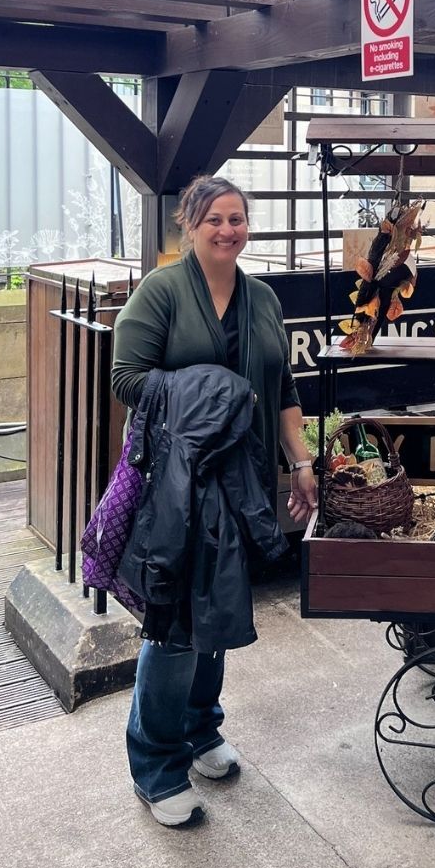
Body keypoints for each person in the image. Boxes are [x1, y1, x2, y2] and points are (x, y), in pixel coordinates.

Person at [111, 174, 317, 827]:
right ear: (189, 227)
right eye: (215, 220)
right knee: (174, 626)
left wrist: (301, 462)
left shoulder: (262, 300)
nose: (229, 230)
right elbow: (127, 378)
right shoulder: (162, 291)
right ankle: (156, 766)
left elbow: (282, 388)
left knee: (218, 614)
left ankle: (201, 730)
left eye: (238, 219)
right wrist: (213, 390)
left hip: (241, 483)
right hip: (178, 485)